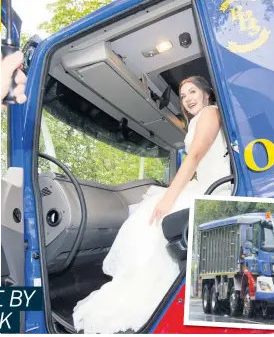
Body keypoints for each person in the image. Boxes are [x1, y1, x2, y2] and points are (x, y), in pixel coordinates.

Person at [72, 76, 232, 333]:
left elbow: (196, 157)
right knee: (149, 218)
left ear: (207, 94)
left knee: (152, 218)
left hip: (215, 189)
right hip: (204, 184)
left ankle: (154, 299)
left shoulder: (211, 113)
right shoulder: (196, 121)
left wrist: (168, 198)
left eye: (193, 91)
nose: (188, 98)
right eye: (183, 96)